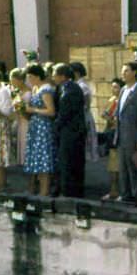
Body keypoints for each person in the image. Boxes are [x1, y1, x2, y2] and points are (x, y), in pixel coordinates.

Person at [114, 62, 137, 206]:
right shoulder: (123, 90)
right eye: (123, 71)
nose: (123, 74)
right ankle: (126, 194)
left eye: (126, 71)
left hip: (134, 135)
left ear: (134, 72)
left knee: (136, 167)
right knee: (123, 167)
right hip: (122, 135)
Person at [52, 64, 87, 198]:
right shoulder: (61, 88)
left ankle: (72, 192)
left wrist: (56, 126)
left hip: (73, 132)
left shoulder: (72, 89)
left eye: (55, 75)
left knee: (71, 162)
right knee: (64, 162)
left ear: (62, 76)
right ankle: (64, 189)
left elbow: (66, 113)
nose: (53, 77)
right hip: (66, 132)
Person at [23, 64, 57, 196]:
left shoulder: (45, 89)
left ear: (38, 76)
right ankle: (38, 190)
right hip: (36, 127)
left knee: (44, 159)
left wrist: (33, 110)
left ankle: (44, 191)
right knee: (37, 158)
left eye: (31, 77)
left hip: (43, 127)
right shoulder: (36, 88)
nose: (29, 80)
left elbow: (51, 111)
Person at [69, 62, 98, 162]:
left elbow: (85, 104)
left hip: (82, 115)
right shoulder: (76, 84)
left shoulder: (82, 86)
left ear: (76, 73)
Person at [100, 78, 124, 201]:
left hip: (120, 135)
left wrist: (110, 118)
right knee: (112, 165)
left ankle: (120, 191)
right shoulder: (112, 100)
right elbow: (105, 114)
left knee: (119, 165)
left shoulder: (123, 101)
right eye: (113, 87)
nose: (113, 89)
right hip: (112, 133)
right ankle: (113, 190)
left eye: (116, 87)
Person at [9, 68, 32, 166]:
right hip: (19, 120)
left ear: (21, 80)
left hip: (26, 120)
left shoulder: (29, 92)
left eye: (14, 81)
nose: (13, 83)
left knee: (26, 143)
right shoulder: (16, 92)